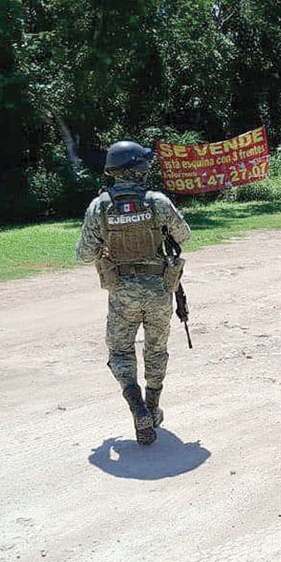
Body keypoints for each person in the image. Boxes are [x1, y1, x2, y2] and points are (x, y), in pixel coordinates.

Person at [76, 140, 192, 444]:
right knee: (156, 349)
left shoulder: (99, 206)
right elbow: (185, 236)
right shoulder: (157, 202)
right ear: (138, 168)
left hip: (122, 293)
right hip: (158, 290)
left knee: (119, 351)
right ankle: (152, 409)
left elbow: (84, 255)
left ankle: (136, 406)